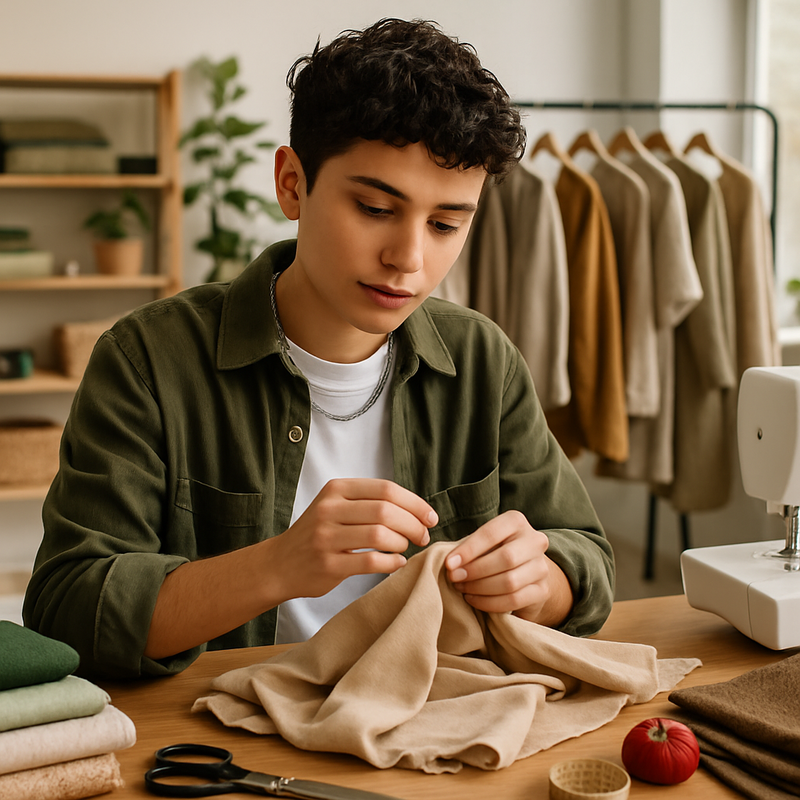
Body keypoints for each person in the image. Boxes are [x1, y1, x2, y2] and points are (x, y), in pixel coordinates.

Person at [23, 18, 614, 679]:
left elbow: (583, 555)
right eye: (374, 208)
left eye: (447, 223)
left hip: (429, 727)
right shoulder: (148, 362)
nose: (408, 259)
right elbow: (65, 609)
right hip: (222, 739)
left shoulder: (481, 360)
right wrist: (277, 565)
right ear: (292, 184)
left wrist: (540, 582)